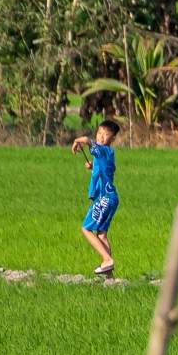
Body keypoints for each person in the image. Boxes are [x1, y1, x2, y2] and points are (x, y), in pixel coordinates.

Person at [69, 119, 122, 278]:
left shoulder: (104, 150)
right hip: (111, 197)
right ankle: (109, 276)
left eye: (106, 135)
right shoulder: (107, 154)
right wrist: (94, 167)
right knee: (102, 235)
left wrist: (79, 140)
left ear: (112, 139)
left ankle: (106, 260)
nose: (100, 137)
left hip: (104, 198)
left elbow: (87, 141)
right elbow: (106, 169)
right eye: (99, 133)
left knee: (86, 228)